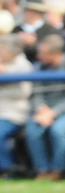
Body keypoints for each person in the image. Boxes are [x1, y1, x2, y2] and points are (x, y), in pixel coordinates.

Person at [25, 34, 65, 180]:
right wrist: (41, 109)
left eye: (43, 53)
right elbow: (36, 92)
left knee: (58, 131)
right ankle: (42, 170)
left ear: (55, 54)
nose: (39, 56)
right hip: (43, 110)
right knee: (32, 131)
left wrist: (53, 113)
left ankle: (58, 169)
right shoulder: (39, 67)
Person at [0, 36, 31, 176]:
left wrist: (5, 75)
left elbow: (24, 92)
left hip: (14, 113)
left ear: (12, 51)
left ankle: (8, 168)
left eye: (2, 49)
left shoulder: (23, 65)